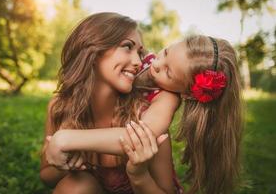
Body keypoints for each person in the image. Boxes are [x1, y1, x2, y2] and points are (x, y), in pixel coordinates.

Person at [40, 12, 182, 194]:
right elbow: (46, 176)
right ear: (94, 49)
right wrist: (62, 166)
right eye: (127, 47)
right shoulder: (60, 107)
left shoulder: (145, 115)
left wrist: (140, 175)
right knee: (75, 187)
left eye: (140, 53)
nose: (138, 62)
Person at [120, 35, 243, 194]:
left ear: (186, 93)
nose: (156, 64)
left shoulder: (166, 100)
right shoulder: (142, 59)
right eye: (165, 52)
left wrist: (140, 176)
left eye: (168, 73)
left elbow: (136, 136)